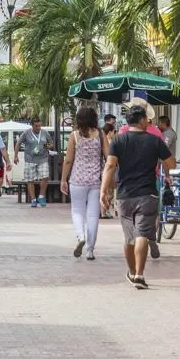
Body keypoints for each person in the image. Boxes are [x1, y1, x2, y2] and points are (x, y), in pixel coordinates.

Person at [101, 106, 175, 289]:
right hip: (148, 194)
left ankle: (132, 272)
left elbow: (110, 167)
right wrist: (165, 170)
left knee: (129, 238)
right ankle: (139, 275)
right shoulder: (155, 140)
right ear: (142, 120)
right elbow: (170, 163)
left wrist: (103, 191)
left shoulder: (118, 140)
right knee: (143, 234)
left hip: (125, 195)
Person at [61, 107, 108, 260]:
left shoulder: (74, 135)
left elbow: (68, 160)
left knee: (77, 211)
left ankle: (81, 236)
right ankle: (90, 250)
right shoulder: (101, 135)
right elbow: (109, 157)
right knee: (93, 214)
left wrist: (63, 179)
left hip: (77, 179)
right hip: (95, 180)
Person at [13, 117, 54, 208]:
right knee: (30, 180)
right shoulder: (26, 133)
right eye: (36, 126)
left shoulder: (44, 133)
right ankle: (33, 199)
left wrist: (45, 145)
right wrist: (15, 156)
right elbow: (18, 143)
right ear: (32, 125)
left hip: (43, 158)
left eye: (39, 125)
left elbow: (51, 144)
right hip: (30, 159)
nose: (38, 128)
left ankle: (41, 196)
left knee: (45, 177)